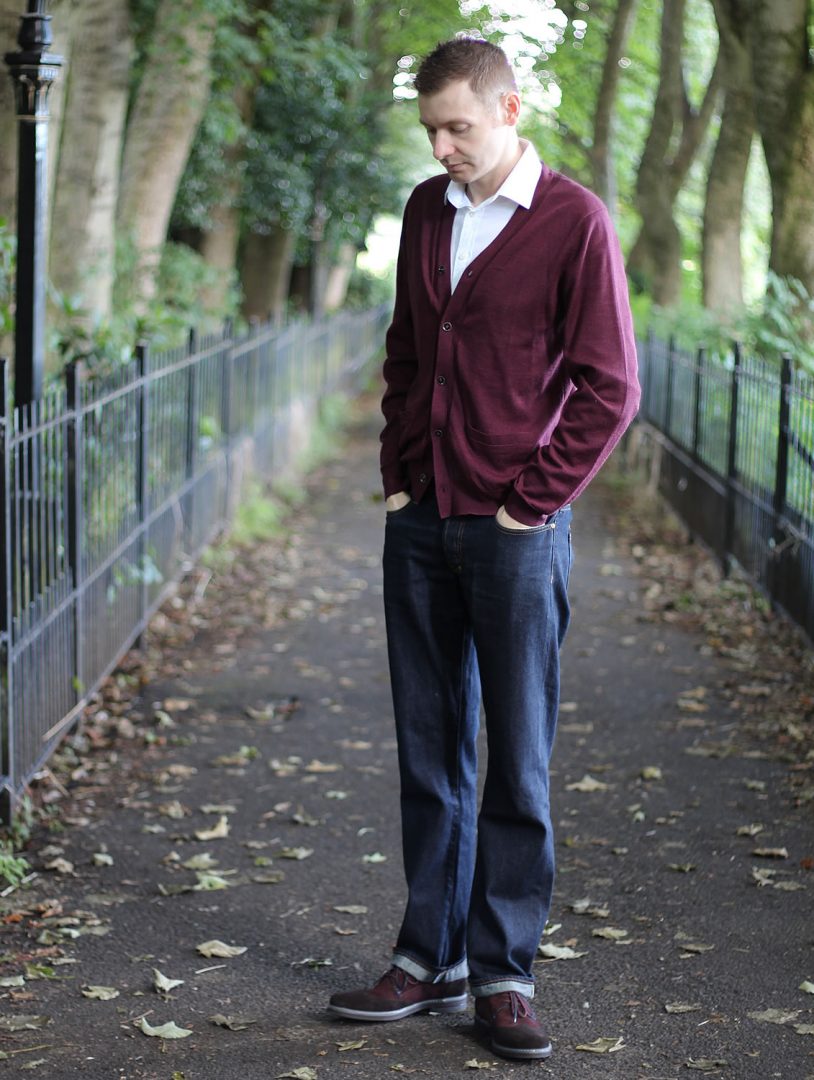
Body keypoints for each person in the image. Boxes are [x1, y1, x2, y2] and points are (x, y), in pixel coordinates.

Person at [328, 36, 640, 1061]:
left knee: (518, 761)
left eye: (458, 126)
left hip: (515, 533)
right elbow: (407, 351)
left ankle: (504, 971)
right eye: (431, 130)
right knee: (431, 752)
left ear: (510, 111)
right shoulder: (427, 210)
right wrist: (399, 473)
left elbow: (610, 387)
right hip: (421, 523)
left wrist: (529, 504)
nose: (443, 145)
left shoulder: (572, 223)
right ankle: (428, 961)